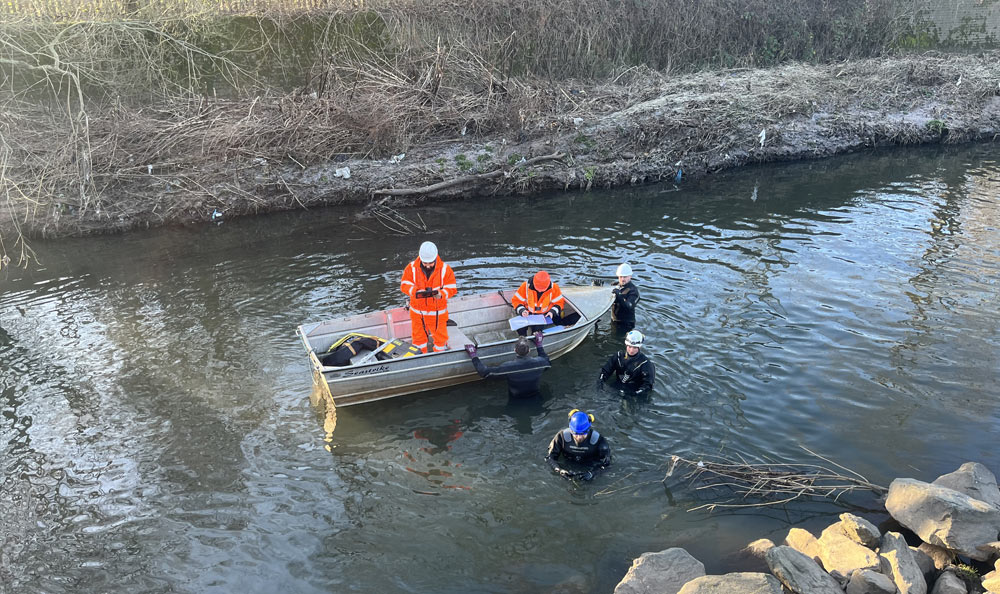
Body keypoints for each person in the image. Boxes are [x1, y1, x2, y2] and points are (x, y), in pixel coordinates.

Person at [400, 241, 457, 353]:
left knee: (440, 340)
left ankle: (440, 356)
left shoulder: (445, 269)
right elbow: (404, 285)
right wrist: (415, 291)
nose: (427, 265)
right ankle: (420, 357)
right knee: (418, 340)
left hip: (437, 314)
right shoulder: (411, 268)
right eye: (425, 262)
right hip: (418, 314)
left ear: (435, 258)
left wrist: (441, 294)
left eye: (430, 263)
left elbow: (452, 288)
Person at [464, 331, 550, 398]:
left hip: (516, 400)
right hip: (536, 398)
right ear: (529, 351)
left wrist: (473, 355)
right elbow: (547, 362)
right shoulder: (541, 363)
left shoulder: (508, 367)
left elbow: (484, 372)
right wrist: (539, 345)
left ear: (515, 350)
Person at [545, 409, 611, 481]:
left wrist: (593, 474)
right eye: (576, 433)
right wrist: (560, 470)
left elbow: (606, 464)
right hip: (567, 463)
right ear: (570, 429)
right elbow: (549, 458)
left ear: (588, 429)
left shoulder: (599, 440)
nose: (579, 437)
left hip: (590, 466)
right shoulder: (561, 437)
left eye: (583, 433)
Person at [510, 270, 580, 335]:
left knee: (537, 331)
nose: (540, 291)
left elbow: (559, 303)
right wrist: (522, 310)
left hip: (543, 316)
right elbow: (516, 300)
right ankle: (523, 339)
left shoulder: (554, 288)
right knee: (520, 329)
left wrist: (552, 312)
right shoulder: (525, 287)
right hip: (527, 314)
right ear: (534, 283)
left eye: (542, 289)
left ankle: (534, 340)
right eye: (538, 288)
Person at [597, 329, 655, 396]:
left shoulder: (645, 364)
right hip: (617, 386)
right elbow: (605, 370)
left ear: (639, 347)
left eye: (634, 347)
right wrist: (600, 382)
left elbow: (648, 385)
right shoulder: (618, 356)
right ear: (626, 345)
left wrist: (634, 394)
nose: (631, 350)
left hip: (633, 391)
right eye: (629, 347)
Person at [611, 262, 640, 329]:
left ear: (630, 276)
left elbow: (629, 306)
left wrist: (619, 296)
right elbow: (605, 298)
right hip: (614, 320)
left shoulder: (633, 291)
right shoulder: (614, 286)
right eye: (620, 277)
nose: (622, 279)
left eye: (625, 277)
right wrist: (596, 287)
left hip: (627, 324)